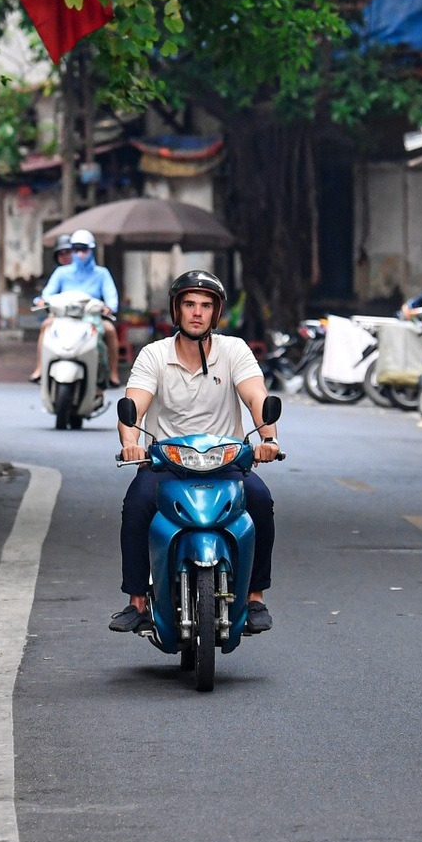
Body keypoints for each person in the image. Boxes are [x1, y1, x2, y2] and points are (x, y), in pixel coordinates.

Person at [111, 269, 279, 635]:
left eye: (205, 305)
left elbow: (256, 397)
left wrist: (268, 439)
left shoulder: (234, 350)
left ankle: (254, 597)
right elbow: (133, 406)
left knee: (260, 500)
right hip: (167, 463)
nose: (197, 312)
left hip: (226, 461)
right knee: (137, 504)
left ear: (216, 313)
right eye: (189, 304)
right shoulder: (154, 355)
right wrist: (129, 442)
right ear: (177, 310)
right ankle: (137, 601)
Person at [29, 228, 120, 386]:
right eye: (76, 249)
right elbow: (48, 293)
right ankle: (40, 369)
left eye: (84, 249)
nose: (80, 254)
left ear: (91, 250)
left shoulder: (101, 273)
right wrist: (43, 300)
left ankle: (112, 373)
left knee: (110, 330)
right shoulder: (62, 272)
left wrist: (109, 307)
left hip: (92, 318)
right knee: (46, 326)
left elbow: (111, 297)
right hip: (63, 316)